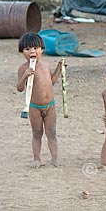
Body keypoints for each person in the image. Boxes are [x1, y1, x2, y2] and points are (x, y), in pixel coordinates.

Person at [17, 32, 65, 168]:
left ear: (41, 50)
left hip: (50, 106)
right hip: (34, 107)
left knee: (52, 133)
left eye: (35, 48)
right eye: (27, 49)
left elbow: (52, 81)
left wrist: (59, 68)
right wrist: (25, 76)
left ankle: (55, 158)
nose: (32, 51)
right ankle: (37, 159)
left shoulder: (45, 66)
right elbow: (20, 88)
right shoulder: (23, 69)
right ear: (22, 52)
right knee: (37, 133)